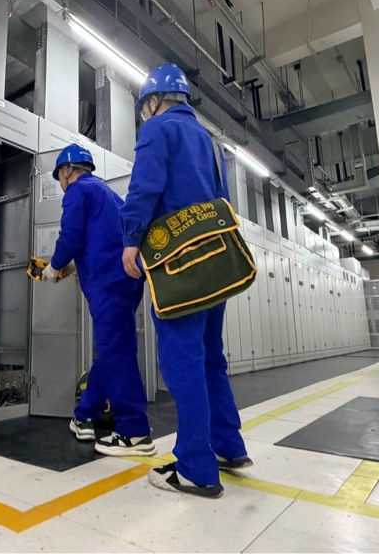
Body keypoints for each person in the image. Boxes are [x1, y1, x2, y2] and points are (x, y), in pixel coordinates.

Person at [119, 63, 251, 498]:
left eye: (145, 106)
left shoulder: (157, 129)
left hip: (178, 266)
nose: (145, 112)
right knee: (211, 358)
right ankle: (228, 446)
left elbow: (144, 187)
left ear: (155, 101)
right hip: (216, 263)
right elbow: (222, 201)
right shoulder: (210, 142)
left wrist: (131, 239)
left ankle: (196, 467)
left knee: (182, 361)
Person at [43, 143, 156, 457]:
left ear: (67, 170)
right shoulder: (109, 194)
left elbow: (70, 235)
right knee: (113, 349)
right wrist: (74, 264)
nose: (61, 183)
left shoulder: (77, 191)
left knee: (116, 353)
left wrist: (53, 267)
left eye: (59, 176)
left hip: (106, 283)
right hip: (128, 280)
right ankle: (84, 416)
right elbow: (104, 238)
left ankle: (134, 431)